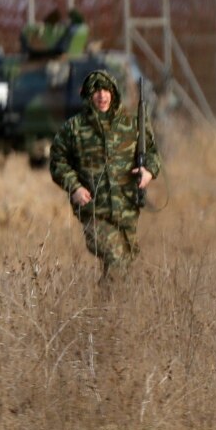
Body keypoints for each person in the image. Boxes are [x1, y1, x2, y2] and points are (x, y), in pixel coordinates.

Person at [50, 69, 161, 281]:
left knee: (123, 262)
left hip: (126, 207)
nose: (102, 96)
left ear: (114, 92)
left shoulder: (131, 123)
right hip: (94, 209)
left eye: (106, 90)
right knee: (115, 256)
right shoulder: (74, 128)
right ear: (88, 95)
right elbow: (58, 161)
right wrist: (74, 187)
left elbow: (153, 154)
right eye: (96, 91)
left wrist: (149, 172)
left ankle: (107, 310)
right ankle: (115, 308)